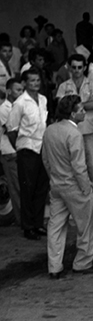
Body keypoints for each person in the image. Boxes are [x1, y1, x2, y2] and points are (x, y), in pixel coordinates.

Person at [41, 95, 93, 278]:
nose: (83, 112)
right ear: (73, 114)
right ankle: (82, 263)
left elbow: (45, 159)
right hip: (74, 186)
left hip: (57, 185)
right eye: (81, 110)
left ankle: (54, 266)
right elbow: (79, 167)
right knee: (86, 226)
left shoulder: (50, 130)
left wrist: (54, 178)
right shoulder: (74, 134)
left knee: (55, 226)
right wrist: (87, 189)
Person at [56, 53, 93, 207]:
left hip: (89, 129)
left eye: (80, 67)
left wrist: (73, 106)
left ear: (85, 67)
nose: (77, 70)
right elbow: (61, 107)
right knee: (72, 164)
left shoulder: (92, 83)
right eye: (74, 67)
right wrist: (85, 104)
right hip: (69, 131)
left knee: (92, 164)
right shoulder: (63, 86)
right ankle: (79, 194)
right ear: (69, 68)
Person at [7, 68, 49, 240]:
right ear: (25, 83)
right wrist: (20, 147)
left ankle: (38, 223)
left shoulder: (43, 99)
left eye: (37, 80)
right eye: (32, 81)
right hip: (27, 149)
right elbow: (11, 129)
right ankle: (28, 226)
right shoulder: (20, 103)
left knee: (41, 188)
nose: (35, 84)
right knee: (27, 188)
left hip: (42, 148)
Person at [0, 77, 23, 228]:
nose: (21, 93)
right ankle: (22, 220)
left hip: (15, 150)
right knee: (16, 187)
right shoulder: (4, 109)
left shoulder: (16, 106)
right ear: (9, 91)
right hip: (10, 151)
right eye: (18, 90)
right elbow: (12, 132)